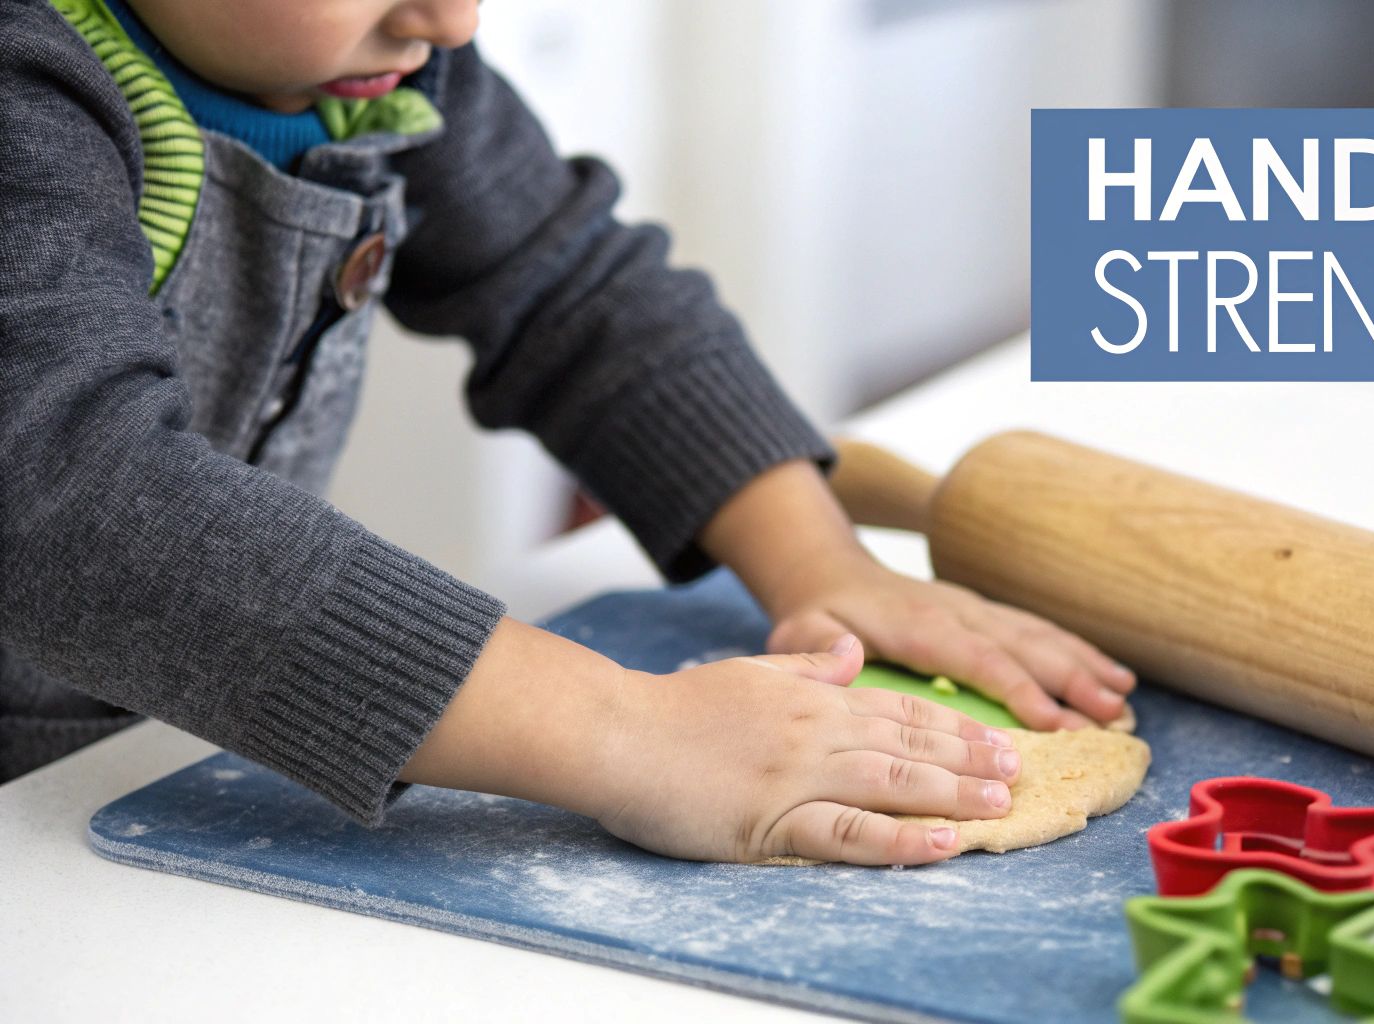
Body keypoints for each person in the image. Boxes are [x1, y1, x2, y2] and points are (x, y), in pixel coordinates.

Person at [0, 0, 1135, 866]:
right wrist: (624, 732)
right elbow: (76, 500)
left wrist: (820, 559)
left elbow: (568, 293)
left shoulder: (383, 61)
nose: (450, 19)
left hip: (136, 754)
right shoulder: (24, 107)